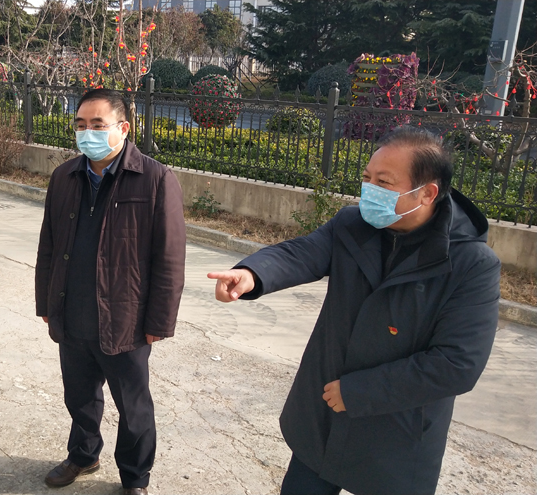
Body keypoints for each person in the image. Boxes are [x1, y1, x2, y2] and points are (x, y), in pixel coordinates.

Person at [208, 127, 500, 495]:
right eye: (367, 178)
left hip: (396, 438)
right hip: (324, 422)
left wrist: (359, 392)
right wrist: (252, 274)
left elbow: (457, 364)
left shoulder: (472, 264)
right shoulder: (353, 224)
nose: (370, 190)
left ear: (427, 193)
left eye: (384, 182)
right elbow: (302, 253)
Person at [35, 89, 186, 495]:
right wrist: (46, 301)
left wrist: (159, 321)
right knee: (79, 396)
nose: (88, 133)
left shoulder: (155, 179)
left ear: (123, 128)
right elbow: (49, 245)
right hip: (72, 309)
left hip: (125, 318)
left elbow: (170, 258)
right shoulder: (64, 177)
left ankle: (135, 478)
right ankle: (83, 454)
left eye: (98, 125)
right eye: (81, 125)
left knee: (133, 408)